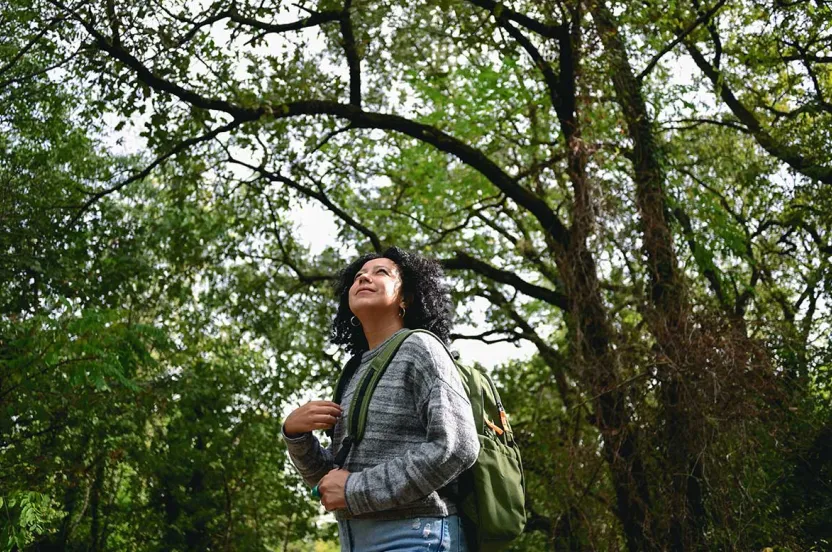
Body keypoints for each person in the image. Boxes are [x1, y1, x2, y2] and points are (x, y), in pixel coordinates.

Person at [282, 247, 480, 551]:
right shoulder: (354, 371)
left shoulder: (420, 348)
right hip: (355, 539)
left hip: (416, 536)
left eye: (381, 272)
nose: (364, 278)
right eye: (358, 276)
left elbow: (457, 446)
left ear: (406, 298)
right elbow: (333, 483)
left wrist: (355, 490)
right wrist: (296, 436)